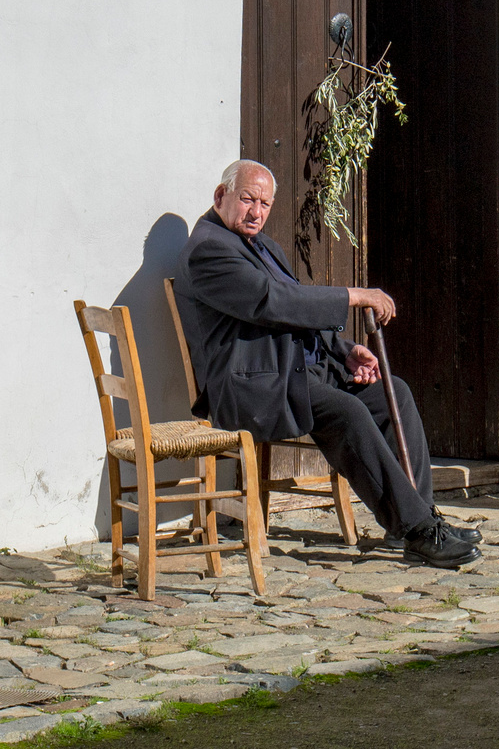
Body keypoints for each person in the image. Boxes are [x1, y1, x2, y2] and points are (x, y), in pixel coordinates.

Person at [178, 160, 481, 568]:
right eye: (248, 199)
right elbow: (273, 302)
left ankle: (419, 522)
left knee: (395, 395)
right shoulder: (209, 249)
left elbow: (294, 311)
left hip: (295, 372)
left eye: (265, 204)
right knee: (348, 413)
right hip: (256, 385)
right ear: (221, 196)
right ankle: (419, 531)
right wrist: (355, 295)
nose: (256, 212)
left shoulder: (262, 245)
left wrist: (343, 350)